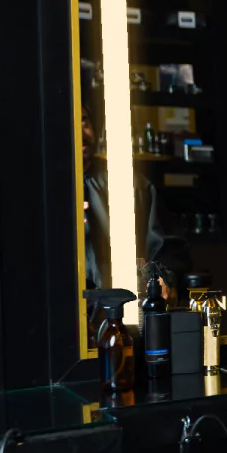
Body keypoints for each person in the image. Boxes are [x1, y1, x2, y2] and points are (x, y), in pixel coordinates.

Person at [81, 103, 191, 310]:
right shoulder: (43, 192)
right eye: (72, 123)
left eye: (84, 122)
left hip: (123, 313)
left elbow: (167, 246)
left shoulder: (129, 184)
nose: (81, 133)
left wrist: (162, 277)